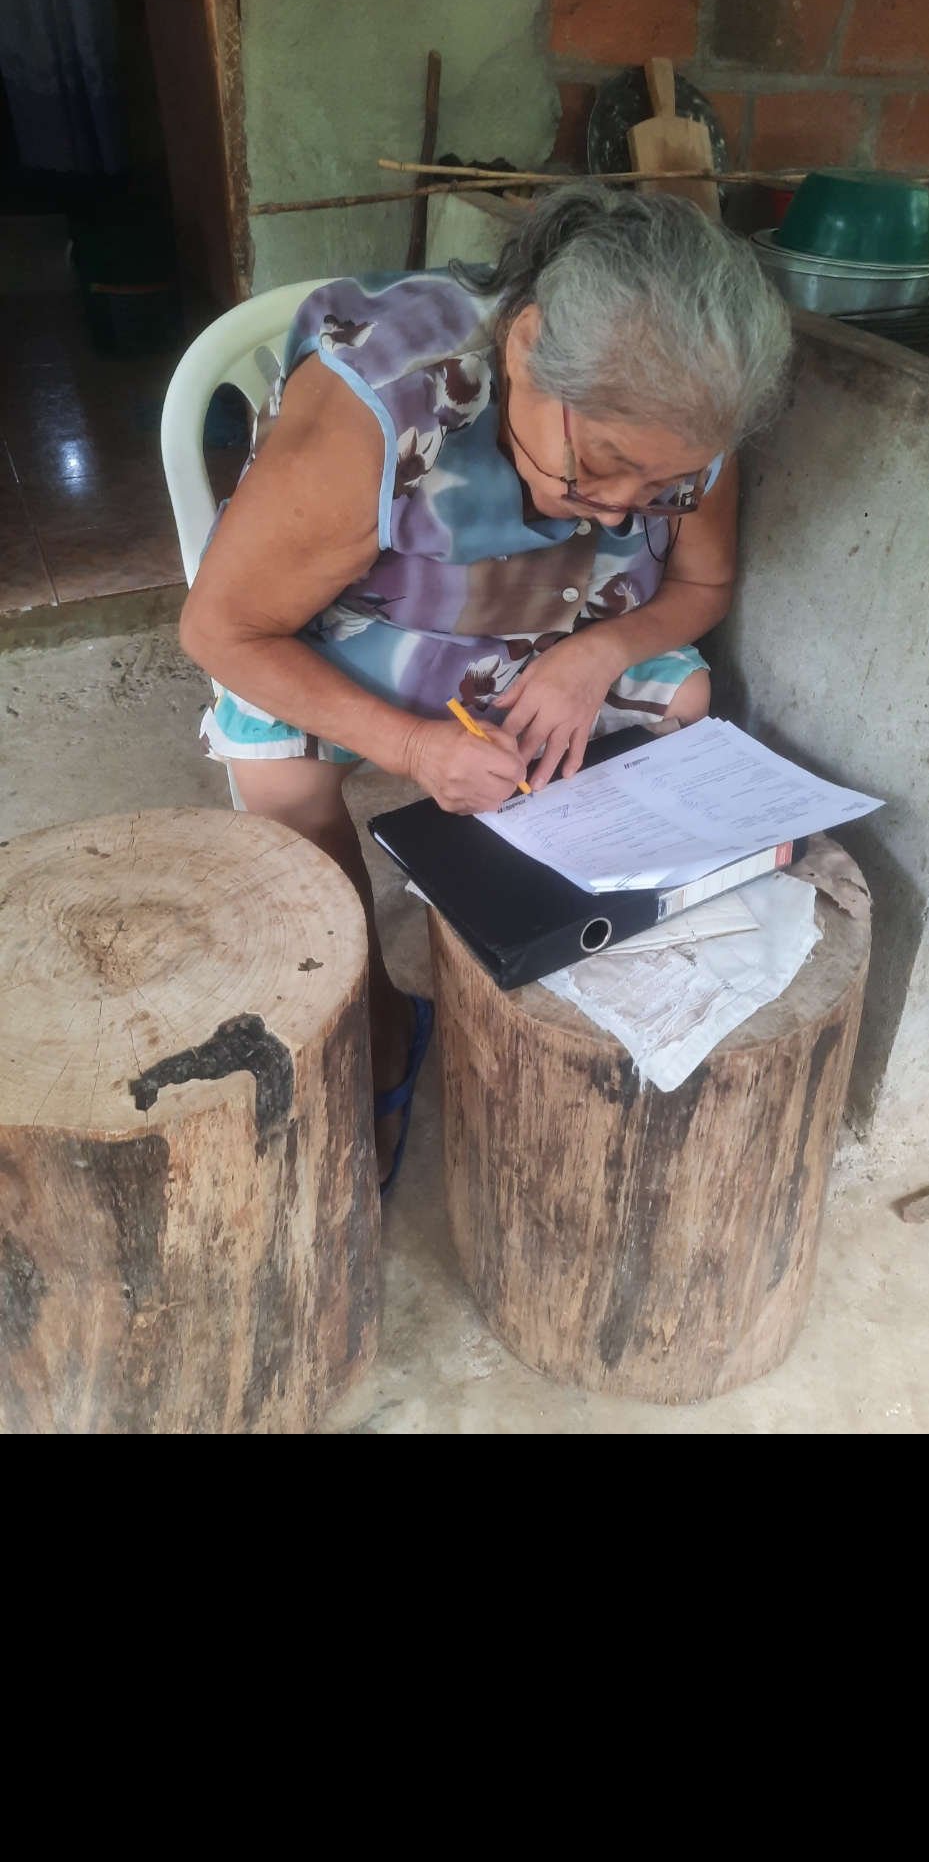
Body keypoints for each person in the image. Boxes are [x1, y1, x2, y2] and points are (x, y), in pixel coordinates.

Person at [179, 185, 791, 1191]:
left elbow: (701, 586)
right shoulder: (379, 404)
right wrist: (413, 748)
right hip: (373, 634)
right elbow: (222, 629)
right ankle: (374, 1023)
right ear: (526, 346)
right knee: (281, 777)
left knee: (682, 704)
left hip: (569, 629)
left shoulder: (687, 423)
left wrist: (596, 657)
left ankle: (575, 989)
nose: (623, 510)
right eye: (600, 465)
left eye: (660, 490)